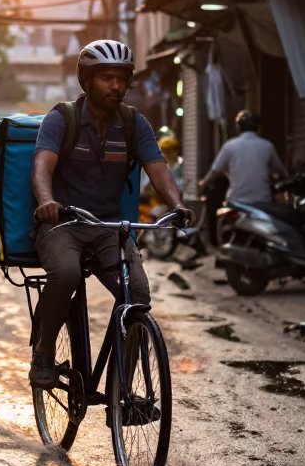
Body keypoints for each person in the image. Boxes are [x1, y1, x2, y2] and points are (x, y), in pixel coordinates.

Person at [29, 39, 194, 389]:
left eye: (121, 78)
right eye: (106, 77)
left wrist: (176, 206)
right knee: (66, 273)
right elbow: (42, 168)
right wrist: (46, 201)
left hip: (109, 228)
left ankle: (124, 388)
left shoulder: (134, 123)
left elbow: (158, 169)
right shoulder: (62, 118)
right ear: (87, 80)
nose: (116, 86)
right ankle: (43, 352)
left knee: (137, 292)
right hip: (64, 224)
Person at [198, 111, 287, 207]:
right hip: (262, 200)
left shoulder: (230, 146)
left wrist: (204, 183)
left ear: (239, 127)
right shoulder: (267, 146)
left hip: (236, 201)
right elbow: (280, 170)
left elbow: (214, 171)